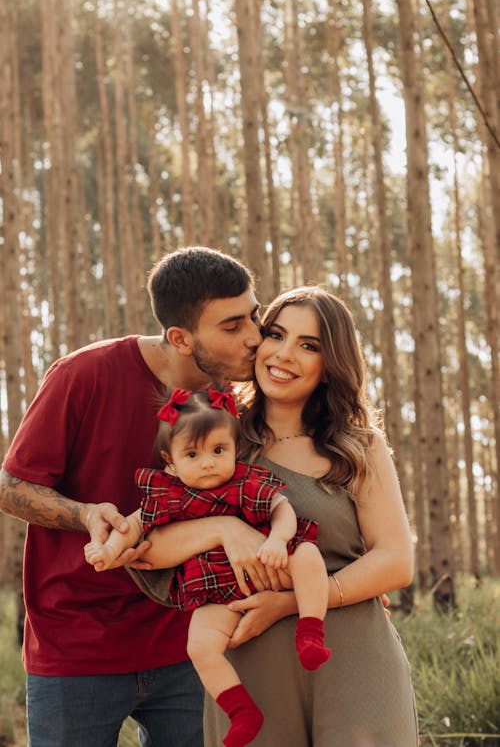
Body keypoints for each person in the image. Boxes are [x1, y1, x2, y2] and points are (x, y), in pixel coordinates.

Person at [0, 246, 278, 747]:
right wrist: (84, 514)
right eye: (233, 326)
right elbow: (11, 488)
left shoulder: (233, 400)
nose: (256, 338)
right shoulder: (81, 376)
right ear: (179, 337)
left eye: (253, 315)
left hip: (192, 644)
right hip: (77, 646)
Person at [130, 286, 419, 747]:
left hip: (351, 656)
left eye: (309, 345)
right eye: (276, 334)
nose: (284, 354)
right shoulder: (217, 439)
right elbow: (149, 548)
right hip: (250, 666)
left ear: (331, 366)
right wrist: (225, 528)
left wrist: (291, 601)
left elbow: (395, 561)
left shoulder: (358, 447)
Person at [85, 386, 331, 747]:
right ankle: (241, 709)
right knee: (199, 646)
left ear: (235, 449)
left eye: (219, 450)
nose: (207, 463)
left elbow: (282, 509)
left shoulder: (245, 481)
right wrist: (107, 551)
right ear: (170, 461)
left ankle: (311, 631)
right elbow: (132, 526)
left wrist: (279, 540)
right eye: (192, 454)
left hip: (270, 561)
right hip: (216, 594)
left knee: (308, 555)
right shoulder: (168, 494)